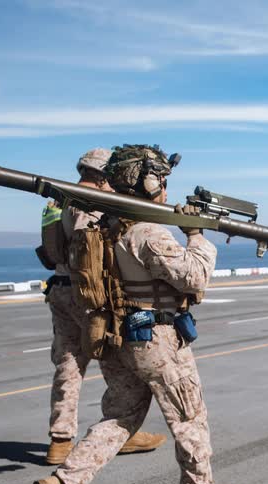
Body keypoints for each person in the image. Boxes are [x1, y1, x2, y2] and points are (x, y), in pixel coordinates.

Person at [34, 144, 234, 484]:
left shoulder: (102, 224)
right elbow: (194, 279)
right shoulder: (145, 232)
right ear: (144, 180)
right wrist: (197, 235)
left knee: (121, 417)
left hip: (117, 334)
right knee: (189, 414)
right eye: (160, 177)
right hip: (157, 339)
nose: (163, 185)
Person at [40, 148, 166, 464]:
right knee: (115, 361)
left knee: (69, 364)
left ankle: (60, 439)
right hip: (87, 295)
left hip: (60, 289)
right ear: (101, 174)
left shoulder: (61, 201)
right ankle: (122, 429)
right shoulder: (89, 205)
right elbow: (92, 253)